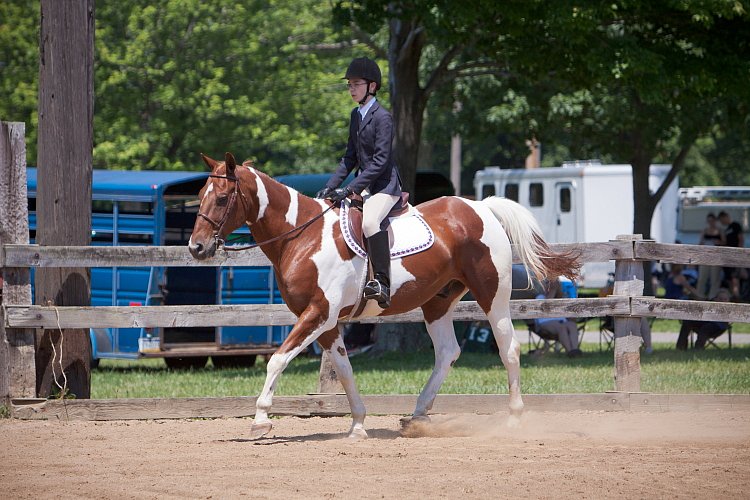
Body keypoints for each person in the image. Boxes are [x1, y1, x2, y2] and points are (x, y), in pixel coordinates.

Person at [316, 57, 402, 309]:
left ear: (372, 87)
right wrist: (330, 187)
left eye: (356, 84)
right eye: (349, 85)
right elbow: (349, 158)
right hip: (366, 185)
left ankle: (382, 284)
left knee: (371, 222)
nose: (351, 89)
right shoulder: (356, 115)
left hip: (385, 186)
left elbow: (380, 161)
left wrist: (350, 189)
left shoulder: (383, 117)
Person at [533, 278, 583, 357]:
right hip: (544, 323)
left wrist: (556, 292)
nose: (551, 285)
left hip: (561, 321)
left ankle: (575, 350)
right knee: (562, 328)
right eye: (548, 284)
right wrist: (553, 291)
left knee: (572, 325)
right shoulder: (540, 297)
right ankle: (570, 352)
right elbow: (547, 305)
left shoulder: (561, 298)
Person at [696, 212, 723, 300]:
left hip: (716, 257)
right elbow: (700, 243)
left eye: (712, 220)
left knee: (715, 279)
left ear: (715, 221)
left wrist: (718, 242)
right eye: (709, 221)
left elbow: (724, 242)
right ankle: (700, 296)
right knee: (702, 277)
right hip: (705, 256)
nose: (711, 222)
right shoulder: (704, 230)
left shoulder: (720, 230)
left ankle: (712, 296)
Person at [718, 211, 745, 299]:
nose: (722, 222)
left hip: (736, 254)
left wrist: (739, 252)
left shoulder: (735, 225)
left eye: (722, 220)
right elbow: (725, 242)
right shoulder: (726, 229)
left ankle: (737, 296)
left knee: (735, 277)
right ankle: (732, 297)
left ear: (726, 217)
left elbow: (740, 239)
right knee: (729, 278)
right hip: (727, 256)